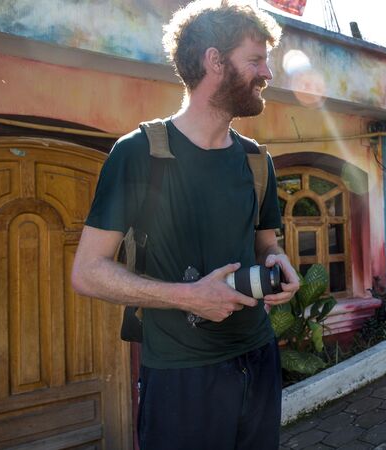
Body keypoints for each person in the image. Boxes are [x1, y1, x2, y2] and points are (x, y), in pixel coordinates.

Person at [70, 1, 299, 448]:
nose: (267, 73)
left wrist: (279, 263)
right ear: (215, 61)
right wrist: (188, 297)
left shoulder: (257, 160)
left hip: (258, 359)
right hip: (181, 376)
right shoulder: (137, 152)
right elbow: (87, 271)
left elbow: (265, 245)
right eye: (255, 60)